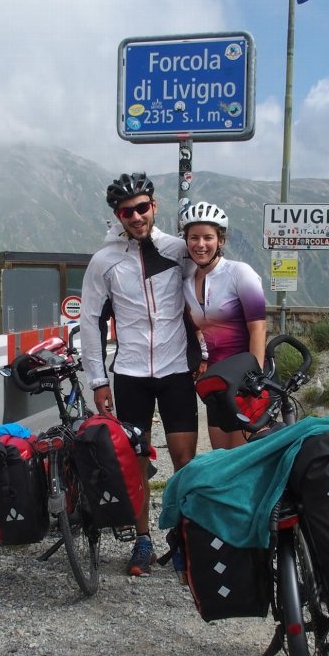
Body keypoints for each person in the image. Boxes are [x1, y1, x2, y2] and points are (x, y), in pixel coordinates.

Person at [80, 172, 199, 576]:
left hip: (176, 369)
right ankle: (143, 539)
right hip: (130, 373)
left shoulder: (179, 250)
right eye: (127, 211)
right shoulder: (104, 261)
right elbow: (91, 324)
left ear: (154, 206)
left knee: (185, 460)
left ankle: (182, 536)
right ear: (118, 215)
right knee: (136, 460)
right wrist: (97, 381)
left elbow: (209, 291)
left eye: (142, 207)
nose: (136, 216)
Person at [180, 201, 268, 450]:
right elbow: (196, 326)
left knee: (246, 457)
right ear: (186, 241)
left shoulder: (240, 273)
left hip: (248, 380)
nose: (200, 244)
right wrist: (202, 357)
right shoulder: (186, 283)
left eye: (208, 237)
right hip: (217, 383)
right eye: (194, 237)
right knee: (222, 458)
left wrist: (255, 378)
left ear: (220, 241)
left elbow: (258, 329)